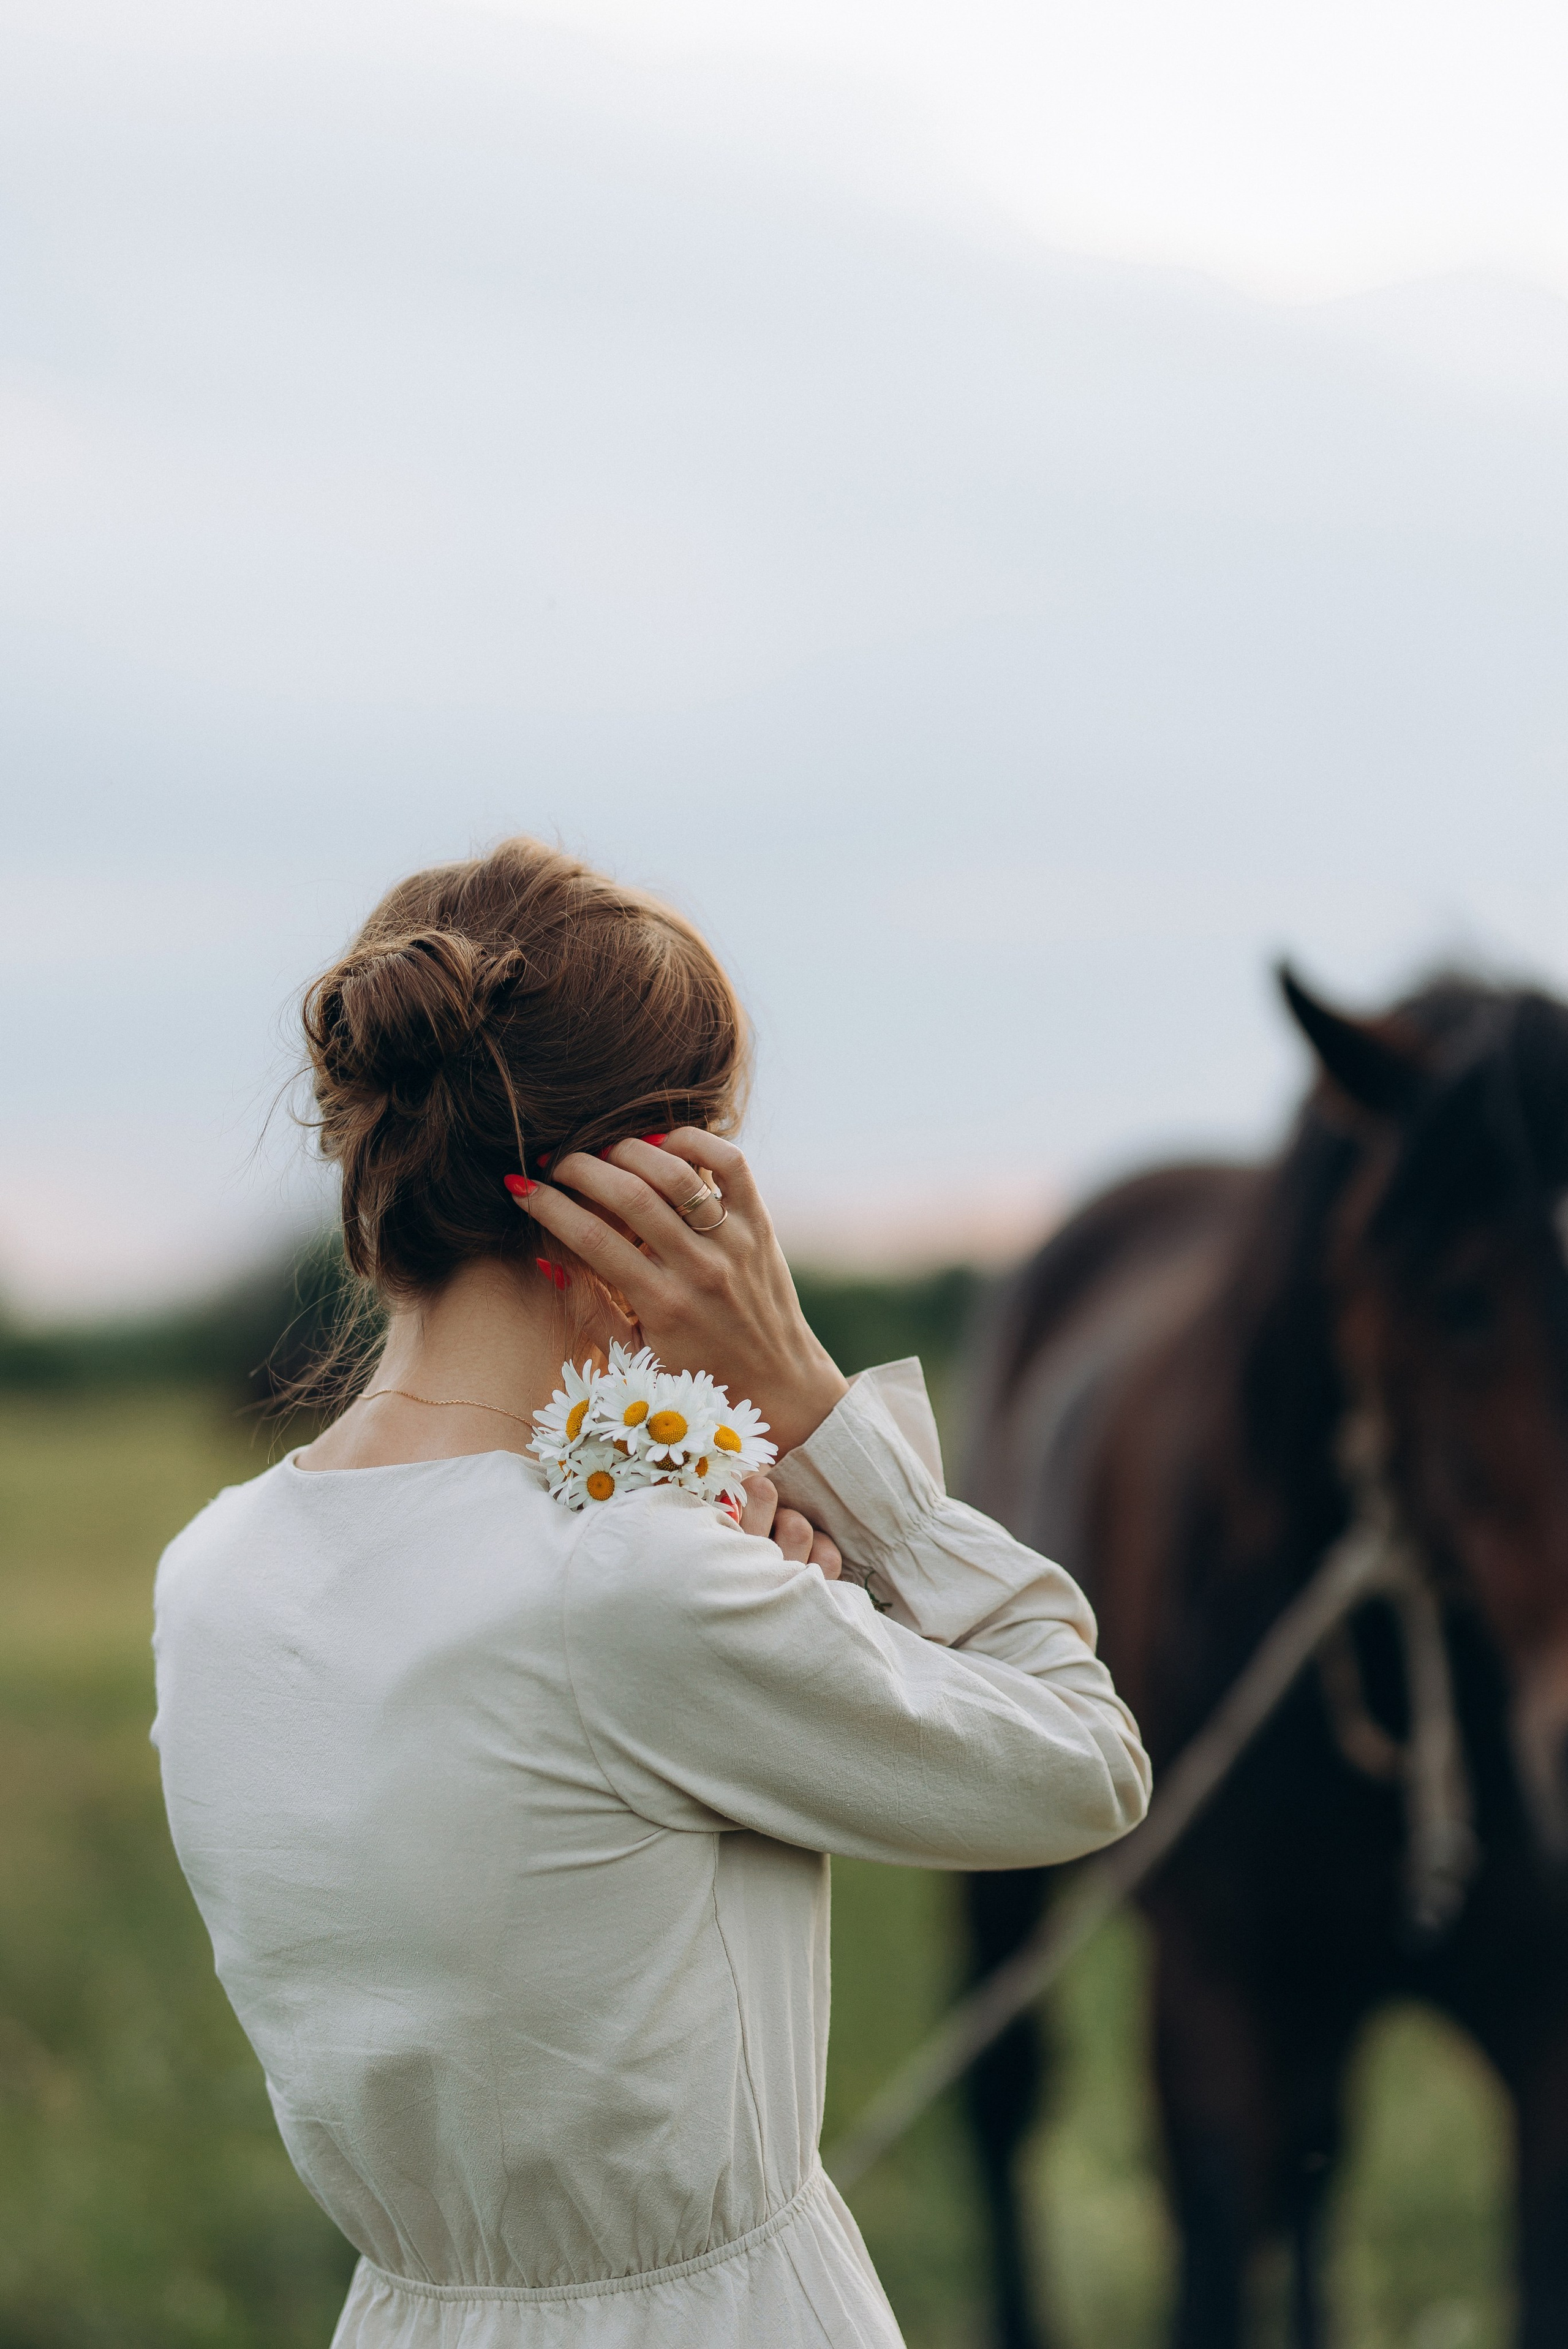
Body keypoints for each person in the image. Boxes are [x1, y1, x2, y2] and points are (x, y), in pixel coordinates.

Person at [152, 836, 1150, 2348]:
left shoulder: (212, 1572)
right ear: (662, 1183)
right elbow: (1088, 1761)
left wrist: (762, 1604)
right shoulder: (623, 1581)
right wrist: (808, 1402)